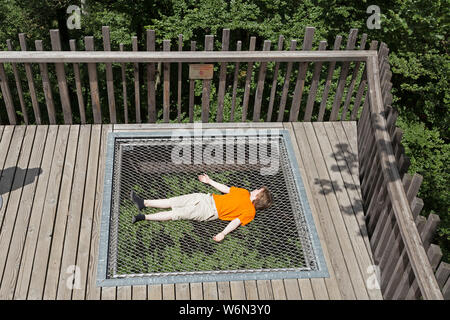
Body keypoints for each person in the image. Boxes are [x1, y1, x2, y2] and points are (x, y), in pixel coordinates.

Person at [130, 174, 273, 242]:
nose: (256, 189)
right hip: (206, 197)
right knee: (173, 201)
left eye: (258, 190)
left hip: (208, 211)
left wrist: (223, 233)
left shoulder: (250, 212)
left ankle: (143, 217)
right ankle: (143, 203)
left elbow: (235, 222)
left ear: (258, 197)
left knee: (175, 213)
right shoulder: (244, 192)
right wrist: (209, 181)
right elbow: (226, 189)